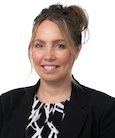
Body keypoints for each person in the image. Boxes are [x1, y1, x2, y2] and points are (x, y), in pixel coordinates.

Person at [0, 3, 115, 138]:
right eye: (39, 45)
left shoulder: (105, 110)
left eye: (60, 46)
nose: (48, 56)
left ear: (77, 50)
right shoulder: (6, 104)